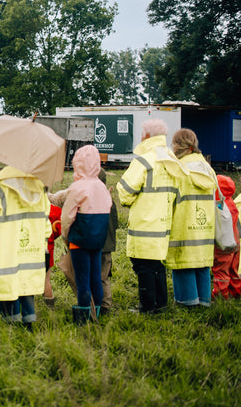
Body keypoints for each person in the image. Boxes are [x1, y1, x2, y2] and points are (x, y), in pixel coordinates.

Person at [117, 119, 185, 314]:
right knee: (157, 265)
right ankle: (160, 304)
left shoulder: (144, 160)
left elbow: (125, 190)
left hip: (144, 226)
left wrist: (129, 201)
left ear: (146, 136)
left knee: (143, 266)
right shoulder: (171, 159)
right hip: (163, 225)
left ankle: (146, 307)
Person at [0, 166, 51, 331]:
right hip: (32, 251)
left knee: (7, 286)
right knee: (27, 288)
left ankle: (12, 326)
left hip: (7, 251)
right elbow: (45, 216)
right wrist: (44, 240)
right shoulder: (38, 186)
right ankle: (29, 322)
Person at [59, 145, 112, 324]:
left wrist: (65, 235)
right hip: (98, 240)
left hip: (79, 241)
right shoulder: (101, 187)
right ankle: (96, 313)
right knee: (96, 278)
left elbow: (67, 217)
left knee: (82, 280)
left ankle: (83, 318)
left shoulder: (77, 187)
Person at [167, 129, 216, 308]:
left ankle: (186, 302)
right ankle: (204, 301)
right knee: (202, 265)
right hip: (205, 228)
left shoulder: (180, 169)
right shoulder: (207, 168)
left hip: (184, 227)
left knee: (183, 264)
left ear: (180, 146)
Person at [212, 174, 241, 299]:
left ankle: (220, 296)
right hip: (236, 242)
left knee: (221, 272)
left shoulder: (220, 205)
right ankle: (235, 292)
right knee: (233, 271)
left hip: (224, 245)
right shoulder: (231, 203)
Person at [99, 168, 119, 315]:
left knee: (98, 276)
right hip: (108, 244)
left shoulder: (95, 199)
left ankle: (101, 305)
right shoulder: (109, 199)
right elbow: (116, 223)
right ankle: (106, 303)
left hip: (98, 244)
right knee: (104, 277)